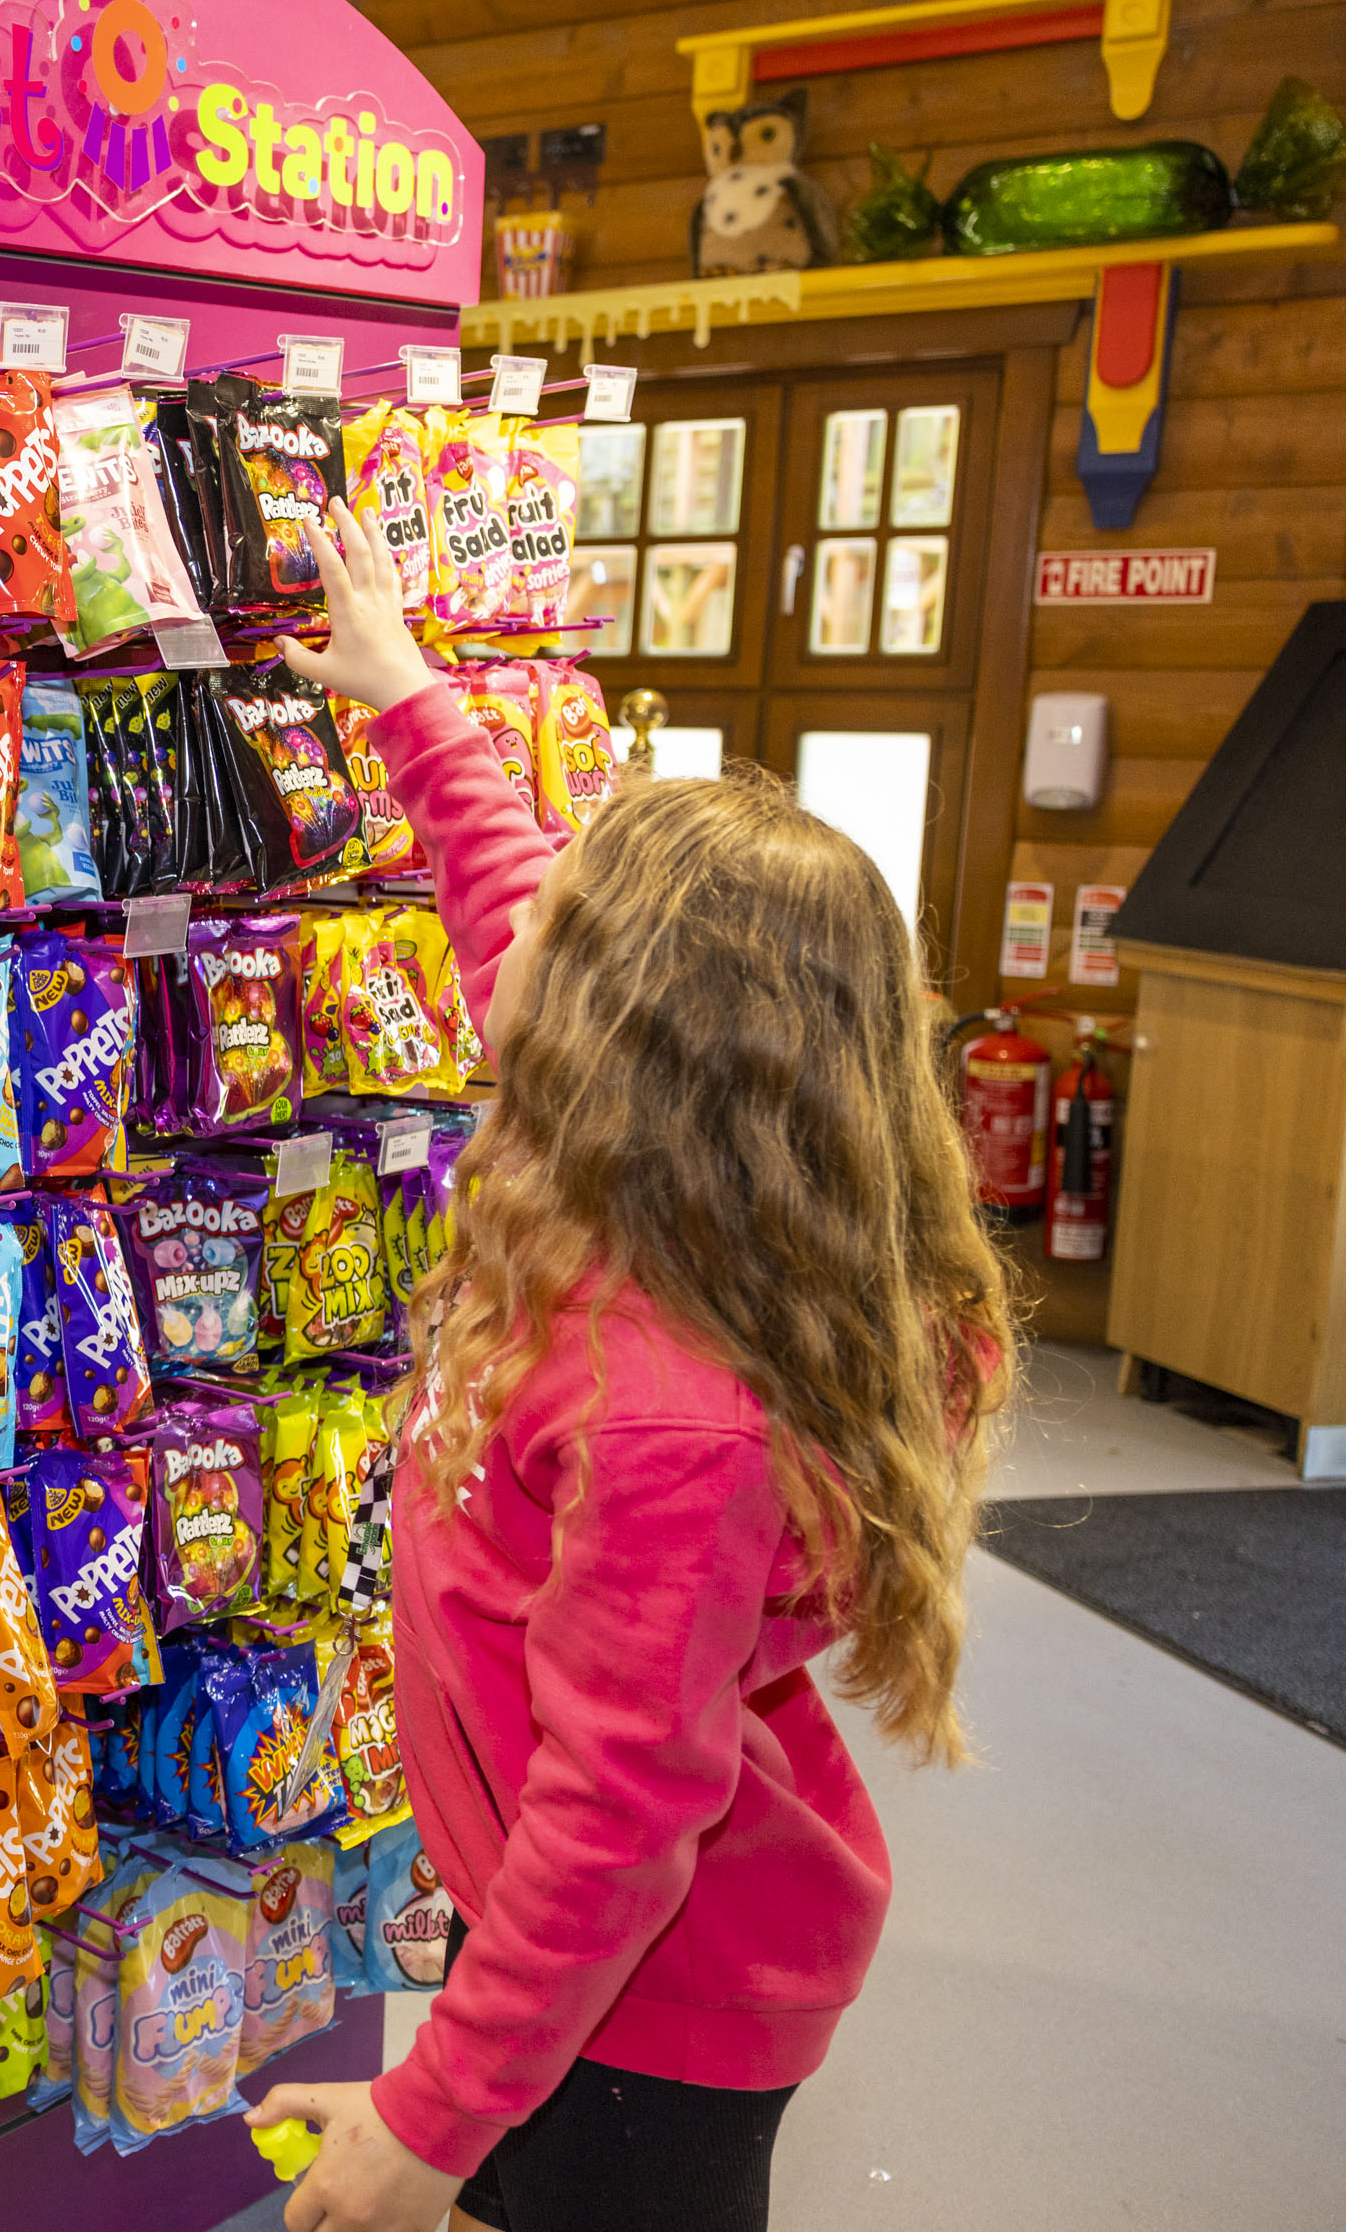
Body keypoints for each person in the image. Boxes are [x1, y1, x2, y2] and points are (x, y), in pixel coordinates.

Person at [242, 504, 1013, 2232]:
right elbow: (506, 906)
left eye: (573, 968)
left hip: (658, 2007)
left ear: (635, 1046)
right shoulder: (662, 1170)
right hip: (590, 1973)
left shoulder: (679, 1418)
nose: (519, 986)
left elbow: (613, 1828)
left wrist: (429, 2121)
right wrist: (407, 699)